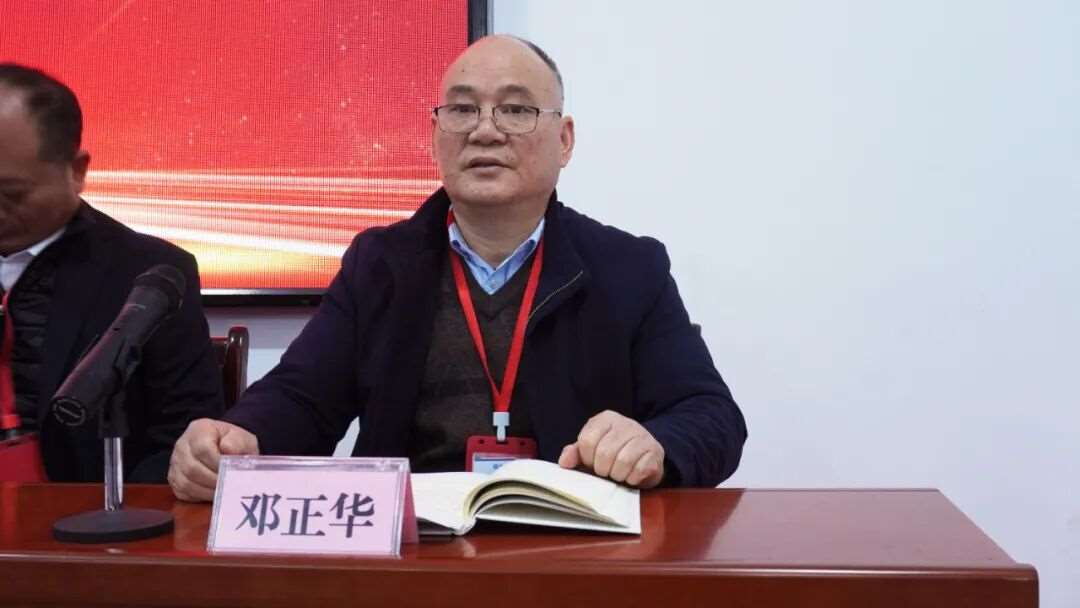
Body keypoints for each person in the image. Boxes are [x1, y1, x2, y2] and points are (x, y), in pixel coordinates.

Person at [168, 36, 747, 501]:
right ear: (436, 136)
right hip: (413, 553)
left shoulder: (628, 267)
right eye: (463, 109)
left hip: (575, 554)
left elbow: (711, 416)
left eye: (516, 110)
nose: (485, 129)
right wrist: (239, 438)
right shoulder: (380, 264)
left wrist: (656, 445)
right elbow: (303, 398)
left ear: (564, 140)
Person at [0, 63, 223, 482]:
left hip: (86, 512)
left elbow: (182, 439)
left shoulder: (150, 275)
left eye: (11, 194)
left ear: (77, 171)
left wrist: (112, 511)